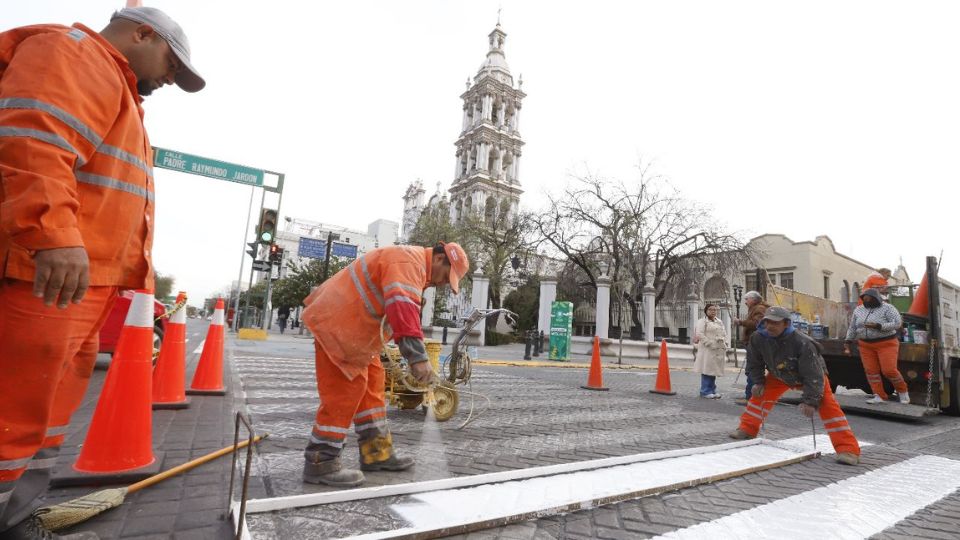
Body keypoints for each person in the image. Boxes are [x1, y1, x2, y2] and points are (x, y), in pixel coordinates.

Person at [0, 7, 203, 539]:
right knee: (13, 417)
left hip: (80, 286)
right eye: (171, 66)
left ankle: (17, 520)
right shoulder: (74, 54)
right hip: (44, 276)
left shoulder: (119, 90)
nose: (169, 80)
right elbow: (34, 142)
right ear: (142, 34)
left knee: (45, 422)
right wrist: (53, 235)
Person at [299, 242, 469, 487]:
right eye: (446, 276)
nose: (443, 283)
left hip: (353, 330)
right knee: (346, 391)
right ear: (440, 258)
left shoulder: (412, 266)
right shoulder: (409, 263)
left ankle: (376, 452)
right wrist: (418, 360)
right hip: (338, 325)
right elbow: (403, 311)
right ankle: (320, 461)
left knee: (372, 386)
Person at [729, 307, 861, 465]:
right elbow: (754, 362)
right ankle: (747, 429)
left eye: (775, 323)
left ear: (786, 323)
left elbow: (813, 374)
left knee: (828, 407)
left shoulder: (803, 342)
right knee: (759, 396)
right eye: (767, 322)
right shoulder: (757, 338)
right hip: (779, 374)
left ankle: (848, 449)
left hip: (809, 378)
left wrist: (811, 401)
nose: (770, 326)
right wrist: (758, 381)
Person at [844, 288, 908, 404]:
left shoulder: (888, 308)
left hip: (886, 343)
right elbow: (853, 327)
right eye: (864, 299)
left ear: (876, 298)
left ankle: (903, 392)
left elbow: (897, 323)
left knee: (889, 370)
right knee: (871, 371)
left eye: (869, 298)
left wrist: (879, 326)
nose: (866, 300)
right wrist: (848, 340)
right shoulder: (858, 310)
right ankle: (879, 395)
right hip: (865, 345)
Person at [732, 290, 769, 405]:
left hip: (755, 345)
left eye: (746, 299)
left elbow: (757, 324)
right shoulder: (757, 308)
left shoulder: (759, 309)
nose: (745, 302)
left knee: (753, 370)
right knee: (753, 369)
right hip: (754, 343)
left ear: (753, 299)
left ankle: (751, 398)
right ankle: (753, 396)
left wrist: (740, 322)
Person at [693, 303, 729, 399]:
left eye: (715, 310)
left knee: (714, 370)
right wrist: (709, 343)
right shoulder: (702, 321)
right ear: (706, 311)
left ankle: (712, 390)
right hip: (707, 350)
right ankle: (705, 391)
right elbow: (699, 334)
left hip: (718, 349)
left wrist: (725, 342)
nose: (713, 311)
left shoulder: (719, 321)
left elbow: (724, 332)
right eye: (711, 309)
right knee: (707, 370)